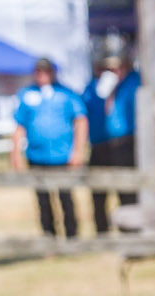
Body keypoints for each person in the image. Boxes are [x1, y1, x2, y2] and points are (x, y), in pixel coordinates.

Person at [10, 58, 88, 238]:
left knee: (66, 198)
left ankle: (72, 238)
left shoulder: (66, 94)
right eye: (39, 71)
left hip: (61, 156)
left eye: (45, 71)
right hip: (36, 156)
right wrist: (15, 155)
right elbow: (19, 126)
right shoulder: (26, 94)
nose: (42, 75)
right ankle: (49, 238)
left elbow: (81, 120)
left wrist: (78, 151)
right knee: (43, 201)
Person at [86, 52, 139, 234]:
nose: (110, 72)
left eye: (114, 68)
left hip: (124, 144)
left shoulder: (133, 83)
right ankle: (102, 233)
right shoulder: (94, 88)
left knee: (127, 191)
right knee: (98, 192)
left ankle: (130, 231)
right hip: (99, 145)